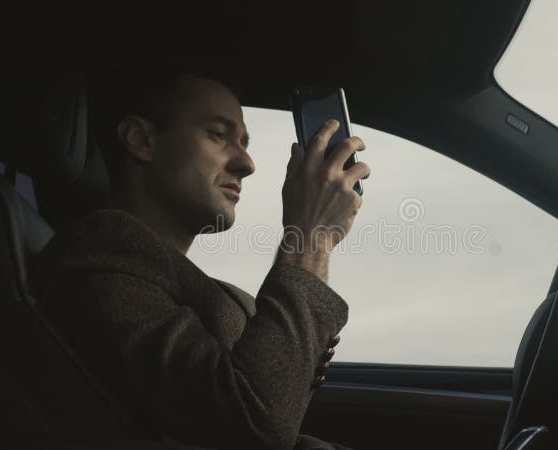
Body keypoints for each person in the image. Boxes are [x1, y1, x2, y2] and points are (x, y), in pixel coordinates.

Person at [36, 62, 370, 450]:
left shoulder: (174, 280)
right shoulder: (98, 253)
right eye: (218, 135)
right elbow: (252, 425)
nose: (247, 164)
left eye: (244, 142)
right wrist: (311, 237)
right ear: (141, 139)